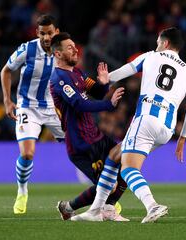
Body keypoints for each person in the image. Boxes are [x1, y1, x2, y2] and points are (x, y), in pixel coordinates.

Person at [71, 27, 186, 223]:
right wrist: (182, 138)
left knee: (128, 168)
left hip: (146, 118)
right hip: (167, 129)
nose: (156, 46)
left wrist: (105, 79)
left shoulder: (150, 56)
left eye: (158, 42)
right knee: (115, 155)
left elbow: (127, 70)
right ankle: (98, 209)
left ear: (164, 43)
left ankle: (152, 205)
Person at [49, 32, 129, 221]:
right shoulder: (59, 78)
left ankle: (106, 208)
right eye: (69, 47)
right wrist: (109, 105)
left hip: (96, 136)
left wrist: (104, 83)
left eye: (74, 45)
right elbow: (79, 104)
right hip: (81, 143)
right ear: (58, 54)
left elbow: (98, 93)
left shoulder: (77, 73)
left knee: (128, 166)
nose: (75, 49)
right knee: (107, 184)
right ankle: (69, 207)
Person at [0, 15, 64, 214]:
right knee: (27, 153)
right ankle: (22, 191)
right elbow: (6, 71)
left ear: (56, 32)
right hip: (28, 106)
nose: (46, 37)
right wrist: (7, 100)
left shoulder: (62, 50)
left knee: (81, 148)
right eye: (43, 33)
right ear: (37, 33)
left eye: (50, 33)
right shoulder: (27, 49)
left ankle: (105, 195)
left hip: (54, 108)